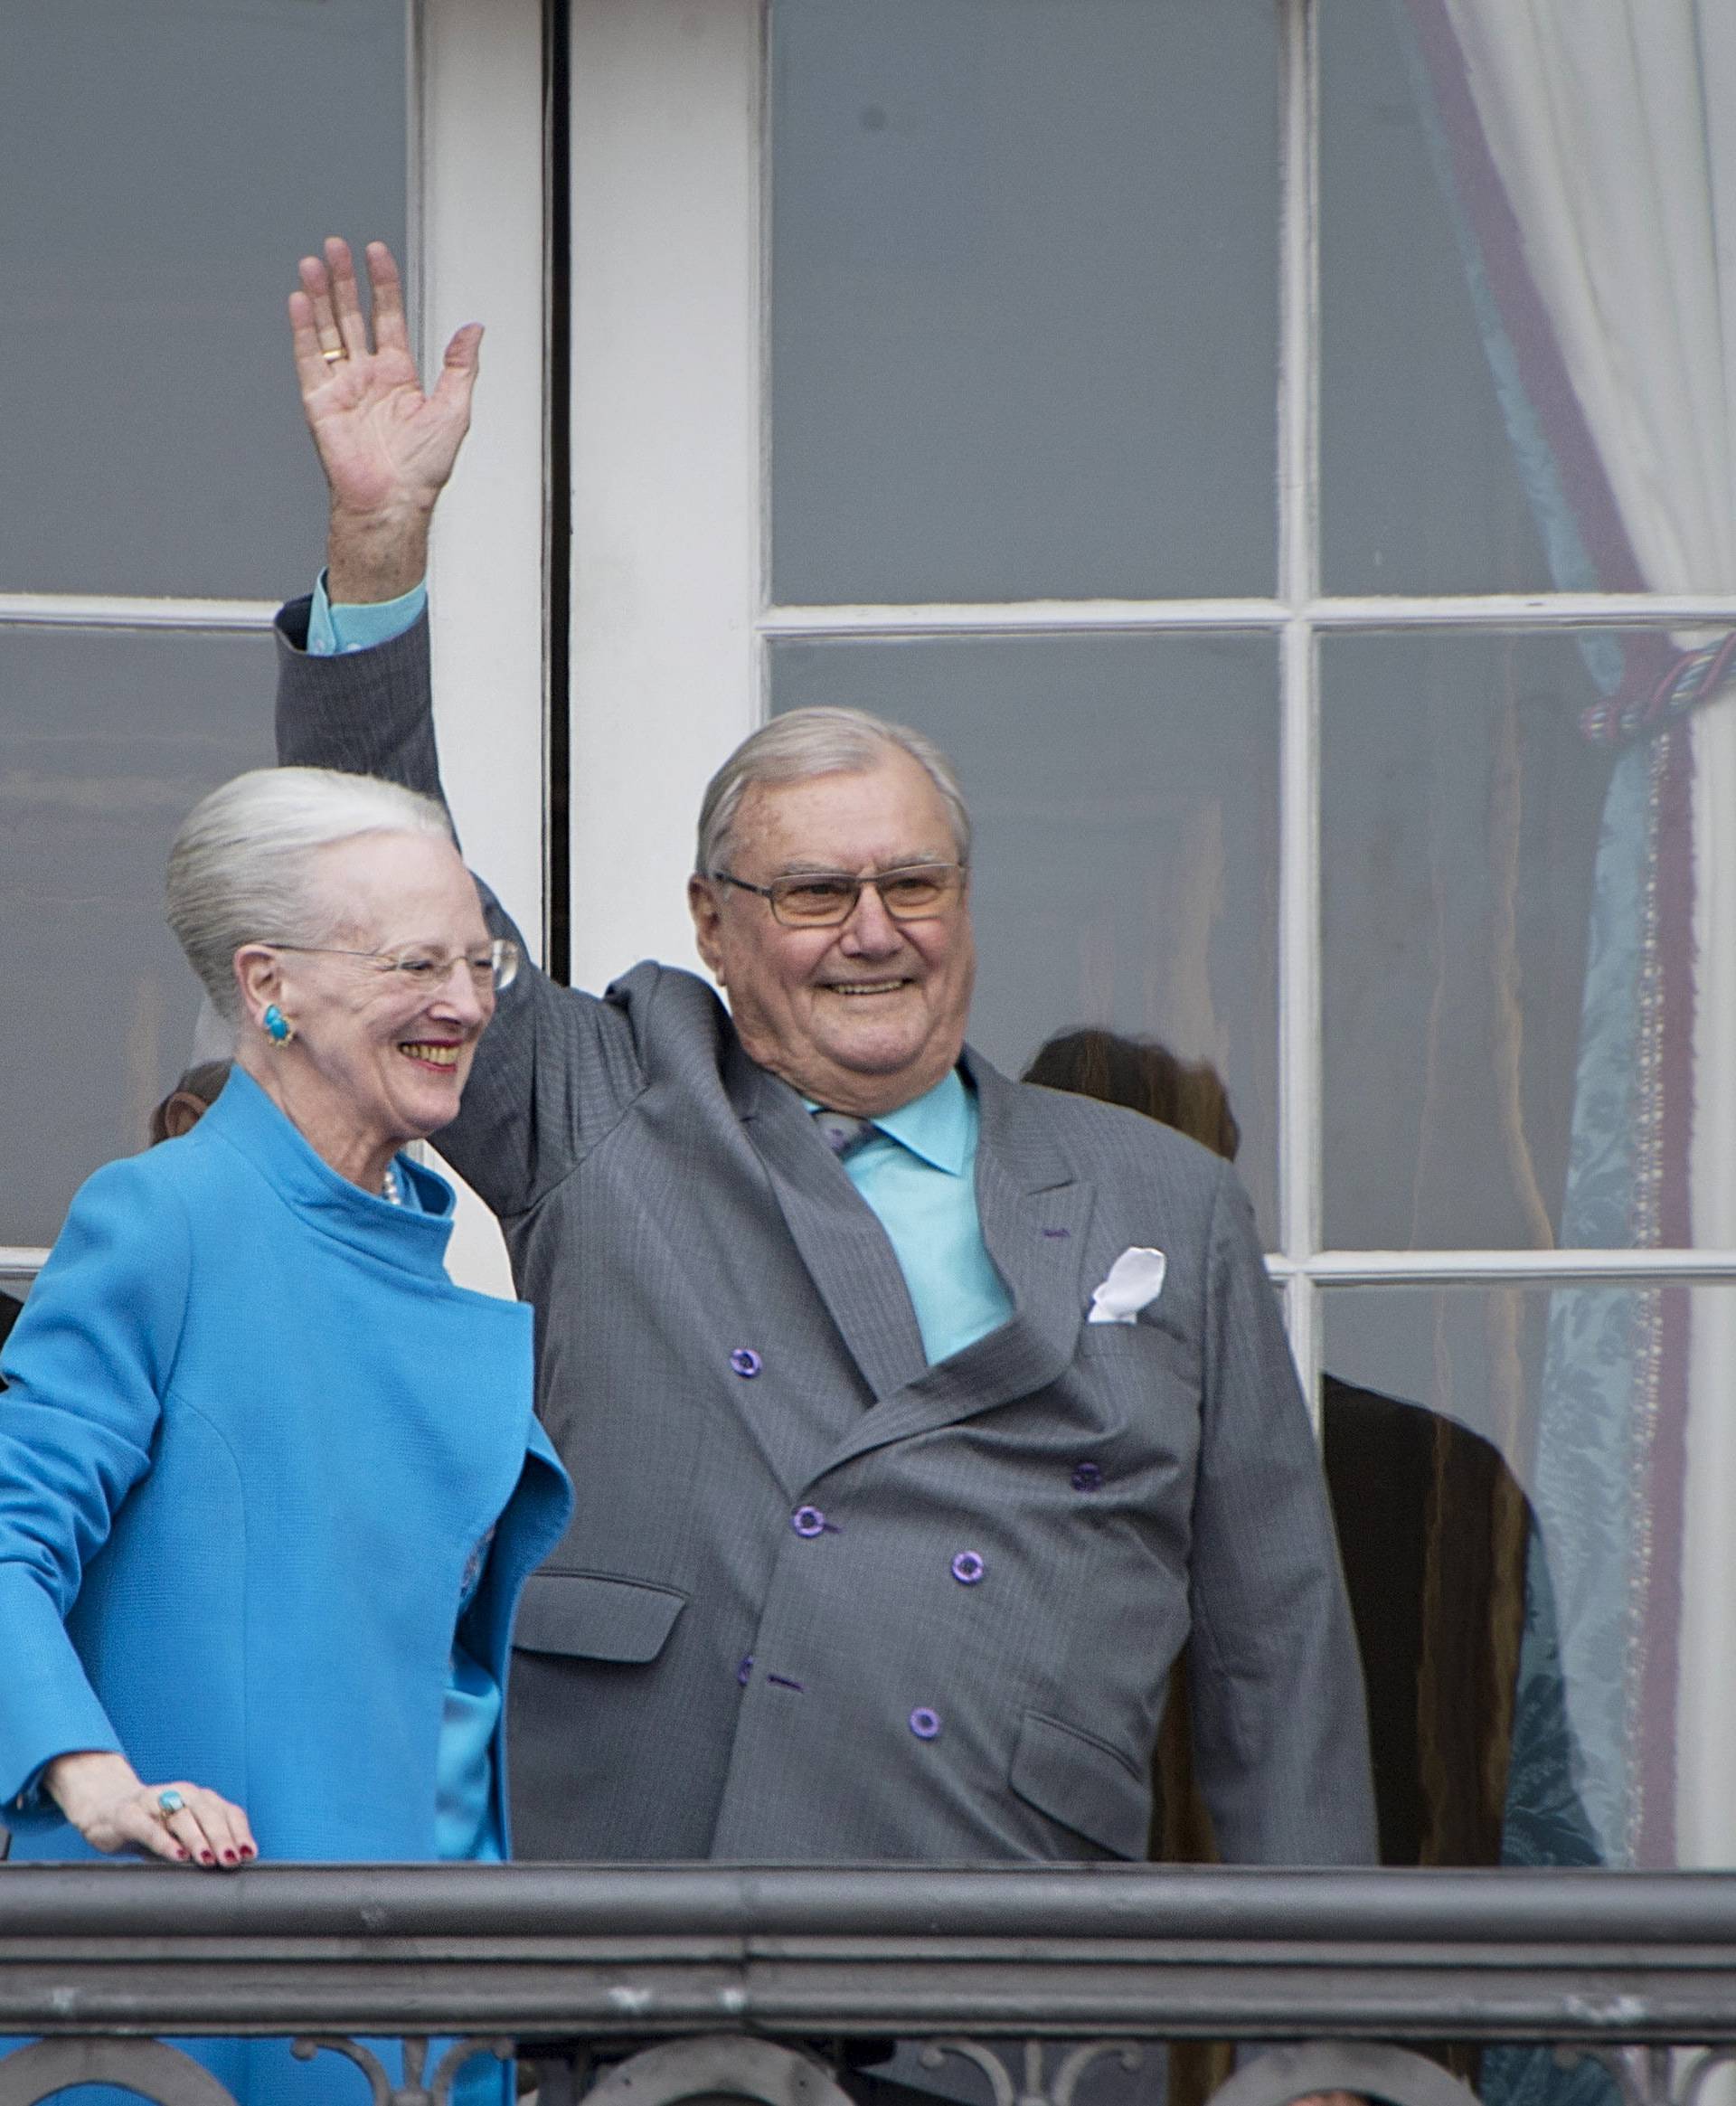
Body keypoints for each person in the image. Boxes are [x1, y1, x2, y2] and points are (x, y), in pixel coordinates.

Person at [272, 235, 1374, 1877]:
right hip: (651, 1925)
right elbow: (373, 882)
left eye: (913, 881)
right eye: (814, 890)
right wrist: (377, 550)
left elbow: (1280, 1648)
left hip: (1014, 1965)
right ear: (714, 922)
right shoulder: (610, 1096)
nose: (876, 928)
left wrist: (1325, 2037)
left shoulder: (1165, 1199)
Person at [0, 765, 571, 2106]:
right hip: (211, 2005)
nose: (466, 1002)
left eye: (478, 959)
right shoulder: (169, 1218)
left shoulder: (457, 1240)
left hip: (428, 1995)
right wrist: (93, 1779)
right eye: (415, 962)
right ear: (272, 984)